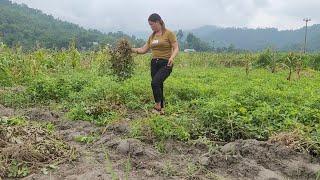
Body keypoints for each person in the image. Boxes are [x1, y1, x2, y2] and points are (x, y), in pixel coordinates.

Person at [132, 13, 179, 114]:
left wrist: (172, 57)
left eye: (152, 24)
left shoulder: (168, 33)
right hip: (154, 63)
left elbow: (176, 48)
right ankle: (162, 109)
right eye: (150, 25)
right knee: (159, 84)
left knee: (155, 83)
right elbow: (143, 49)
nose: (151, 27)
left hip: (166, 63)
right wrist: (130, 49)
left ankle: (157, 106)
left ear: (158, 22)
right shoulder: (152, 36)